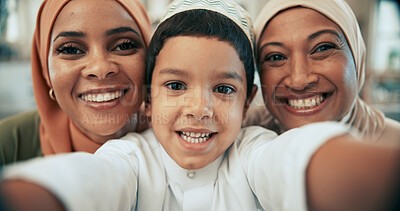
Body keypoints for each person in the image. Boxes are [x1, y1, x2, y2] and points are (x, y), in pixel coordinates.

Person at [1, 0, 399, 211]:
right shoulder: (131, 156)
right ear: (149, 97)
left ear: (248, 105)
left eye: (224, 89)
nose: (199, 108)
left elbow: (293, 161)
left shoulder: (252, 147)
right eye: (176, 85)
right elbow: (91, 179)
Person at [0, 0, 152, 165]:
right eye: (71, 49)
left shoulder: (179, 141)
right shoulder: (7, 145)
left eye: (124, 46)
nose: (100, 68)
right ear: (46, 70)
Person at [243, 0, 400, 146]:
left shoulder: (393, 148)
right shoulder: (234, 137)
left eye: (322, 48)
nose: (299, 80)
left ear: (357, 56)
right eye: (276, 57)